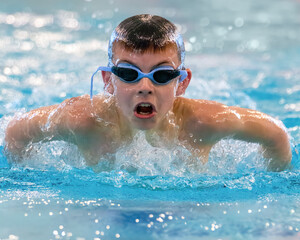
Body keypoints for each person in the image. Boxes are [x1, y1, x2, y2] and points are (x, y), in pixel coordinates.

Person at [4, 14, 291, 171]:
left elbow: (276, 134)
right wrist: (30, 173)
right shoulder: (82, 120)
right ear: (108, 80)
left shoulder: (205, 123)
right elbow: (16, 132)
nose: (145, 87)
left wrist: (274, 179)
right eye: (129, 74)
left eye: (162, 75)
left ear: (182, 82)